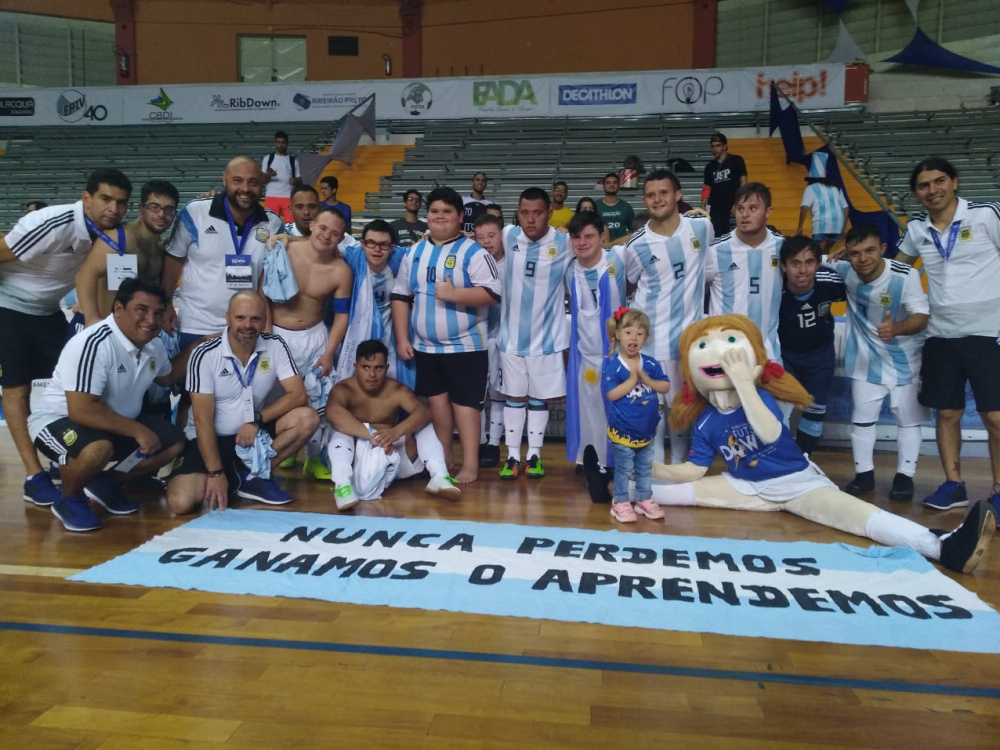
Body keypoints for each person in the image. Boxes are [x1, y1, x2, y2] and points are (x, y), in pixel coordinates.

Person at [592, 314, 993, 575]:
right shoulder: (706, 422)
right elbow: (694, 469)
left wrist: (747, 383)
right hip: (744, 486)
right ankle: (605, 483)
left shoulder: (761, 397)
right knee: (654, 490)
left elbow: (768, 433)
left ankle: (942, 547)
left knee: (858, 518)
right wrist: (651, 465)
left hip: (798, 483)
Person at [0, 167, 132, 508]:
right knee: (17, 389)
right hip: (8, 306)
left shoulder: (110, 234)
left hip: (48, 312)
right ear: (86, 198)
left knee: (78, 387)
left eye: (121, 203)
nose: (113, 209)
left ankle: (68, 457)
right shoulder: (51, 224)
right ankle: (33, 475)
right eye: (105, 199)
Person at [27, 278, 186, 531]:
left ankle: (106, 482)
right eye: (141, 310)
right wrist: (138, 431)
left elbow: (167, 376)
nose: (151, 320)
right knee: (99, 448)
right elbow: (81, 409)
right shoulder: (94, 343)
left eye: (158, 312)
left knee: (173, 441)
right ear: (119, 309)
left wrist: (205, 343)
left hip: (114, 422)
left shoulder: (153, 345)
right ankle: (70, 498)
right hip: (58, 420)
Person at [896, 156, 1000, 514]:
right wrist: (850, 258)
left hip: (990, 333)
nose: (932, 190)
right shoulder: (916, 230)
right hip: (940, 336)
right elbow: (896, 272)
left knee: (996, 418)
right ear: (916, 193)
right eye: (924, 185)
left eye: (939, 181)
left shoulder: (986, 215)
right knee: (947, 414)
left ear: (954, 182)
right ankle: (954, 484)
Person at [165, 292, 319, 514]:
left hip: (251, 435)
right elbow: (202, 420)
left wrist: (257, 420)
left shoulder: (275, 345)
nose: (248, 325)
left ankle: (252, 477)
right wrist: (215, 473)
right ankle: (228, 473)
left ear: (265, 320)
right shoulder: (205, 354)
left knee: (307, 418)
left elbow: (298, 395)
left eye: (255, 319)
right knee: (181, 503)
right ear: (228, 318)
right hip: (211, 439)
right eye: (240, 318)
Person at [390, 186, 501, 484]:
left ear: (459, 216)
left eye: (447, 212)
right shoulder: (414, 251)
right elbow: (400, 295)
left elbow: (492, 294)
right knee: (437, 407)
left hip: (466, 346)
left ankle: (470, 465)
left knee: (465, 408)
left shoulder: (474, 252)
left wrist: (454, 294)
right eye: (435, 211)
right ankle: (444, 460)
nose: (440, 217)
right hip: (426, 347)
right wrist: (402, 338)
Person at [623, 169, 714, 465]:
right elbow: (629, 285)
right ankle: (655, 470)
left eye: (663, 193)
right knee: (653, 410)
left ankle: (677, 468)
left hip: (687, 343)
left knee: (681, 410)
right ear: (644, 200)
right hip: (651, 343)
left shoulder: (701, 228)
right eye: (650, 195)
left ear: (677, 195)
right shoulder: (635, 245)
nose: (657, 199)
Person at [833, 225, 930, 501]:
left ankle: (905, 476)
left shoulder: (906, 275)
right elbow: (807, 256)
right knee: (862, 421)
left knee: (908, 420)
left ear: (883, 249)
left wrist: (897, 329)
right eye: (855, 253)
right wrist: (831, 252)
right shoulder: (844, 270)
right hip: (864, 361)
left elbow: (922, 316)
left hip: (906, 360)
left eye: (869, 251)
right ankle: (864, 474)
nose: (863, 259)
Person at [261, 207, 353, 480]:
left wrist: (328, 353)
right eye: (323, 228)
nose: (327, 236)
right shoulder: (283, 251)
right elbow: (263, 295)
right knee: (273, 396)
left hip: (314, 337)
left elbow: (341, 316)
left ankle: (314, 458)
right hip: (276, 333)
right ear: (311, 225)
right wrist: (266, 335)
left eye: (335, 233)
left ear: (341, 238)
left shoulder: (341, 271)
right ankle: (285, 448)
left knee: (318, 398)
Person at [162, 156, 284, 350]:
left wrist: (266, 325)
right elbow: (174, 259)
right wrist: (166, 303)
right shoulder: (195, 212)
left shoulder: (273, 224)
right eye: (237, 180)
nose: (245, 188)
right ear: (224, 179)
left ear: (262, 183)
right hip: (196, 324)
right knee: (192, 380)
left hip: (246, 327)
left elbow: (266, 278)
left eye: (253, 182)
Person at [326, 339, 461, 510]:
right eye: (365, 367)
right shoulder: (344, 389)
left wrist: (396, 432)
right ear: (355, 366)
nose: (372, 375)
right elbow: (333, 413)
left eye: (378, 368)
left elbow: (424, 413)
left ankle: (439, 476)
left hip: (392, 457)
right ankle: (342, 486)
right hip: (356, 460)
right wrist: (370, 435)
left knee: (423, 425)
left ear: (387, 368)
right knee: (341, 431)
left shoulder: (396, 390)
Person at [498, 187, 572, 480]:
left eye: (538, 213)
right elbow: (479, 240)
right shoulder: (508, 235)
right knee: (514, 398)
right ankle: (512, 457)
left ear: (549, 214)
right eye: (525, 213)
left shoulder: (565, 241)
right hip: (511, 337)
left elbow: (598, 241)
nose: (530, 220)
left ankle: (535, 456)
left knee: (539, 399)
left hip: (548, 339)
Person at [565, 211, 626, 474]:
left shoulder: (619, 259)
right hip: (584, 353)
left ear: (602, 236)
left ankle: (613, 460)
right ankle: (588, 456)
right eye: (576, 237)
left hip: (615, 352)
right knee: (586, 407)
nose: (582, 242)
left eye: (589, 236)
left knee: (613, 407)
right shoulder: (569, 269)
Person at [76, 179, 179, 328]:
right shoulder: (119, 237)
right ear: (141, 208)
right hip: (98, 325)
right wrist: (92, 320)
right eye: (154, 207)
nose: (161, 214)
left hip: (129, 332)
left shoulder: (160, 248)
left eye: (169, 209)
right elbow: (85, 275)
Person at [777, 235, 845, 455]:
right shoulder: (774, 287)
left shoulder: (831, 281)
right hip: (785, 354)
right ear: (784, 266)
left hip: (820, 354)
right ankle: (782, 457)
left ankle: (804, 458)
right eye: (795, 263)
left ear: (818, 263)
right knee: (779, 409)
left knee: (815, 409)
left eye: (809, 262)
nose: (803, 270)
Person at [602, 308, 670, 523]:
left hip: (647, 431)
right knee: (623, 468)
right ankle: (619, 501)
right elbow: (611, 394)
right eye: (629, 332)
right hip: (623, 430)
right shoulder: (614, 366)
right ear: (618, 335)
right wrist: (632, 381)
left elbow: (665, 386)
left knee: (643, 468)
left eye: (640, 334)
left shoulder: (650, 364)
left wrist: (646, 380)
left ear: (645, 338)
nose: (634, 337)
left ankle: (644, 498)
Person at [704, 183, 786, 361]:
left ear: (768, 212)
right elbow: (695, 290)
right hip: (724, 355)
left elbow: (811, 262)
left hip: (768, 354)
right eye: (740, 208)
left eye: (753, 208)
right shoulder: (716, 251)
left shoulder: (783, 247)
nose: (745, 214)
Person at [339, 219, 410, 385]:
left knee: (392, 381)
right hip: (356, 331)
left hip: (389, 333)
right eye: (371, 243)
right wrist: (288, 238)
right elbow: (319, 244)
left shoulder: (399, 259)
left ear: (392, 248)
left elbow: (425, 247)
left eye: (383, 244)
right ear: (362, 243)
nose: (377, 249)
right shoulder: (352, 257)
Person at [473, 213, 506, 468]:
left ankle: (494, 444)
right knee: (477, 392)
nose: (486, 242)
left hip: (505, 336)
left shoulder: (512, 261)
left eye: (491, 236)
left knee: (498, 393)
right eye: (480, 237)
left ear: (502, 235)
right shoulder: (472, 262)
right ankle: (480, 440)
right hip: (477, 335)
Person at [797, 156, 849, 255]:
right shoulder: (835, 187)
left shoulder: (810, 188)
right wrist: (843, 227)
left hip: (821, 225)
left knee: (819, 253)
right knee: (826, 251)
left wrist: (800, 226)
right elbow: (846, 208)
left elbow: (804, 208)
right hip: (837, 226)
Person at [701, 132, 748, 237]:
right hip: (716, 209)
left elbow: (744, 182)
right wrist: (703, 203)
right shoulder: (709, 167)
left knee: (737, 236)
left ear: (725, 146)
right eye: (712, 146)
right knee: (718, 238)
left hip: (733, 206)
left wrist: (738, 203)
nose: (715, 149)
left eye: (718, 145)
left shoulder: (736, 160)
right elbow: (707, 186)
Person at [261, 130, 300, 222]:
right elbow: (262, 180)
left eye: (283, 142)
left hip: (288, 197)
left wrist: (295, 181)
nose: (281, 145)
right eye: (278, 142)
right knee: (270, 225)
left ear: (287, 143)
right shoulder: (268, 159)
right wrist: (268, 175)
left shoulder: (293, 161)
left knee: (291, 225)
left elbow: (300, 180)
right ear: (275, 143)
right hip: (271, 196)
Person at [595, 173, 635, 242]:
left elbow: (633, 231)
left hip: (621, 248)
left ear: (619, 186)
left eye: (615, 183)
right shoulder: (595, 206)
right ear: (604, 186)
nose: (611, 185)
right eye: (608, 183)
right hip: (601, 247)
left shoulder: (627, 207)